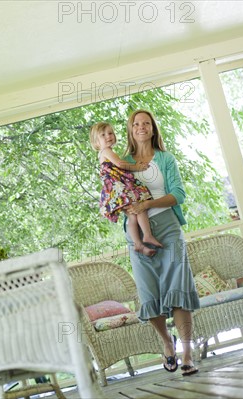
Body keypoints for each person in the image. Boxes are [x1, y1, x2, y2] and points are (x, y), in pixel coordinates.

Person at [122, 109, 200, 376]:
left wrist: (149, 203)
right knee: (149, 293)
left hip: (168, 228)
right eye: (136, 124)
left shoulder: (165, 159)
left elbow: (178, 193)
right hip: (137, 235)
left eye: (146, 123)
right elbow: (113, 194)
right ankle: (168, 343)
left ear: (153, 129)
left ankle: (188, 353)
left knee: (179, 287)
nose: (141, 127)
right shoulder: (121, 162)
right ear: (130, 130)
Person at [90, 122, 163, 256]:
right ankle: (147, 235)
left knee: (132, 216)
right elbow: (120, 163)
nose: (108, 136)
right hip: (120, 187)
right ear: (96, 142)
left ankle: (138, 244)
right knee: (139, 205)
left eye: (110, 133)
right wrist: (137, 167)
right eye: (103, 135)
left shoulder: (105, 152)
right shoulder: (106, 151)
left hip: (117, 189)